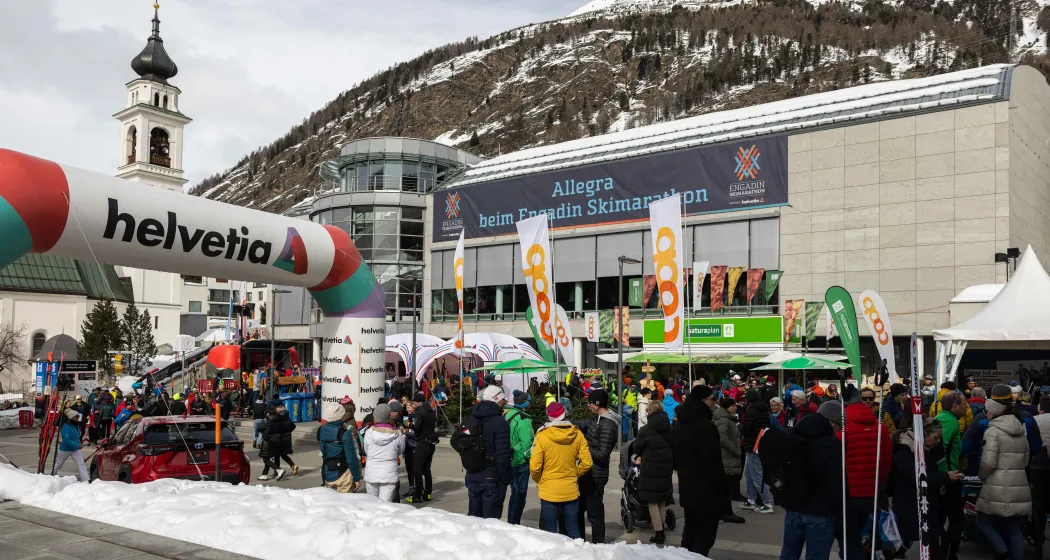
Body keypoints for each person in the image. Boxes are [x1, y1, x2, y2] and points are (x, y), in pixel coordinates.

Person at [975, 385, 1031, 560]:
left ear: (993, 412)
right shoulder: (1020, 429)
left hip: (996, 485)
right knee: (1014, 528)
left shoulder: (993, 431)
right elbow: (1025, 459)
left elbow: (988, 462)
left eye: (987, 411)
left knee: (983, 521)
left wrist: (981, 476)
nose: (986, 414)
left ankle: (1001, 550)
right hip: (1019, 485)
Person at [779, 412, 843, 560]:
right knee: (816, 556)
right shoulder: (832, 445)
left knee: (788, 553)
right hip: (821, 511)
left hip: (793, 508)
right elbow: (836, 482)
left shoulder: (793, 440)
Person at [671, 385, 726, 555]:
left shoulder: (680, 424)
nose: (714, 403)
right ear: (703, 401)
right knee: (706, 533)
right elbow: (713, 461)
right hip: (706, 488)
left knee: (691, 529)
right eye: (712, 399)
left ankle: (686, 556)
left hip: (687, 485)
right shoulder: (705, 426)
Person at [842, 384, 891, 560]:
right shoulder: (881, 427)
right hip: (872, 489)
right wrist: (878, 480)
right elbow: (886, 461)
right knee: (871, 530)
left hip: (849, 492)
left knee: (850, 534)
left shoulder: (844, 428)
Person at [529, 401, 591, 538]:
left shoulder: (542, 435)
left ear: (549, 416)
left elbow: (534, 466)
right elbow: (587, 462)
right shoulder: (577, 433)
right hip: (570, 488)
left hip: (548, 489)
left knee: (551, 532)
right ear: (564, 413)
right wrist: (575, 474)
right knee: (573, 529)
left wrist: (540, 480)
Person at [573, 389, 619, 544]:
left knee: (594, 514)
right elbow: (583, 424)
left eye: (590, 402)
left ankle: (598, 545)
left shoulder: (608, 425)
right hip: (586, 472)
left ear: (597, 404)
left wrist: (582, 447)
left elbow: (602, 454)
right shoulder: (596, 419)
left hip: (596, 475)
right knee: (578, 511)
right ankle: (580, 543)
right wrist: (563, 422)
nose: (588, 405)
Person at [465, 385, 512, 519]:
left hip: (472, 476)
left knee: (474, 521)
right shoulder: (500, 422)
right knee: (491, 525)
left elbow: (457, 441)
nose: (505, 402)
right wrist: (505, 479)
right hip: (491, 478)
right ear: (496, 400)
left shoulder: (472, 418)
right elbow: (503, 456)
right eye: (503, 400)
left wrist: (470, 456)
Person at [633, 399, 675, 544]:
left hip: (651, 466)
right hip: (666, 464)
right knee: (662, 499)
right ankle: (661, 525)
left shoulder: (645, 430)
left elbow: (637, 448)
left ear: (650, 411)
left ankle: (659, 532)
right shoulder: (668, 427)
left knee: (652, 501)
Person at [935, 390, 968, 560]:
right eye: (964, 404)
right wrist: (945, 477)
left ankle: (941, 553)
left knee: (941, 520)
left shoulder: (944, 418)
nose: (967, 408)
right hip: (948, 479)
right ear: (955, 406)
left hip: (945, 478)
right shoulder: (950, 422)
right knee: (957, 521)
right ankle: (947, 554)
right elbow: (940, 450)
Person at [362, 403, 406, 501]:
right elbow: (401, 449)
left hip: (372, 471)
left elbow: (366, 450)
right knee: (385, 505)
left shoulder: (369, 432)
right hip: (389, 472)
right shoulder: (397, 433)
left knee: (372, 503)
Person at [713, 397, 745, 524]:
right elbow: (723, 439)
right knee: (726, 487)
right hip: (727, 457)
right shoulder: (724, 420)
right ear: (727, 407)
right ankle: (726, 513)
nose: (735, 408)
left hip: (727, 456)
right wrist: (737, 451)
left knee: (725, 487)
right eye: (733, 406)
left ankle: (725, 512)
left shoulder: (726, 419)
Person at [740, 388, 773, 512]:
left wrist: (740, 427)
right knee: (749, 474)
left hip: (753, 445)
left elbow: (746, 429)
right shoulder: (764, 410)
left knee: (757, 475)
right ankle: (751, 500)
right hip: (761, 443)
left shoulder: (751, 411)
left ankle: (767, 503)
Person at [504, 390, 534, 524]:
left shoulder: (508, 414)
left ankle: (511, 520)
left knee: (514, 493)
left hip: (507, 459)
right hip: (519, 462)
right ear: (525, 404)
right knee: (520, 495)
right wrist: (529, 458)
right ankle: (514, 523)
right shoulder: (524, 419)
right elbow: (527, 444)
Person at [318, 402, 362, 493]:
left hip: (327, 472)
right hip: (343, 474)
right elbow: (350, 457)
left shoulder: (321, 430)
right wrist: (356, 477)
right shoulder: (345, 433)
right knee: (345, 505)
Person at [403, 392, 438, 504]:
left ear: (417, 402)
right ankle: (427, 493)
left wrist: (408, 424)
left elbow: (416, 427)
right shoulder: (430, 410)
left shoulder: (420, 412)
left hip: (422, 442)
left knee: (417, 469)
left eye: (414, 402)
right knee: (426, 469)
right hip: (431, 443)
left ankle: (417, 495)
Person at [53, 408, 90, 481]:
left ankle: (86, 480)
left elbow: (77, 437)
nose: (78, 418)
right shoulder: (66, 426)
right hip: (65, 449)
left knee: (81, 464)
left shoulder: (77, 425)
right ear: (71, 417)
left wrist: (78, 443)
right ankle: (52, 476)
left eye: (78, 416)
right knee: (58, 465)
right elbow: (66, 439)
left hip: (75, 449)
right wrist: (77, 445)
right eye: (76, 416)